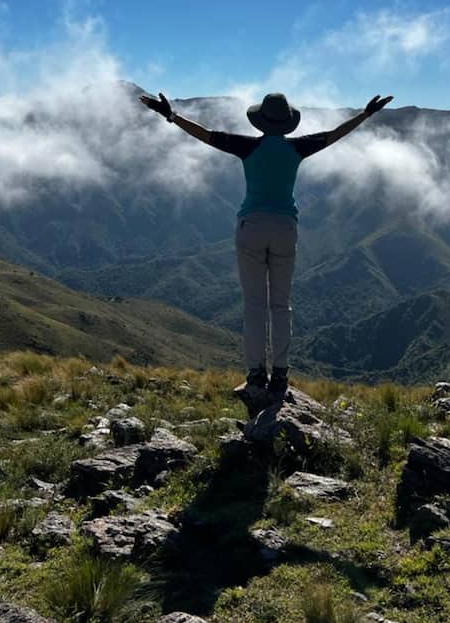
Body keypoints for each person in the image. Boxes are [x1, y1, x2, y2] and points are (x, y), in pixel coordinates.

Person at [140, 88, 393, 401]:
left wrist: (172, 115)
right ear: (287, 123)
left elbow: (205, 135)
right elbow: (333, 135)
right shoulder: (298, 148)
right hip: (286, 227)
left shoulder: (247, 147)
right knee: (281, 305)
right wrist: (366, 115)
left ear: (260, 122)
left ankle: (256, 372)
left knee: (254, 305)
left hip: (252, 226)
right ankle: (282, 371)